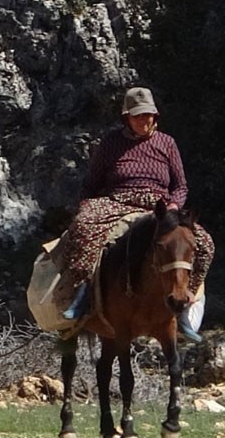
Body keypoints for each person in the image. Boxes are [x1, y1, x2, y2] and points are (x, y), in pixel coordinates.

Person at [60, 86, 214, 341]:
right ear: (127, 118)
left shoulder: (166, 143)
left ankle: (184, 307)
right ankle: (82, 293)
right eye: (138, 116)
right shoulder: (111, 143)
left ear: (155, 116)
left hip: (159, 207)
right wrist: (87, 204)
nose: (144, 120)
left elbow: (180, 185)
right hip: (118, 201)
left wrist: (174, 206)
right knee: (83, 226)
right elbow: (91, 182)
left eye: (149, 115)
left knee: (205, 244)